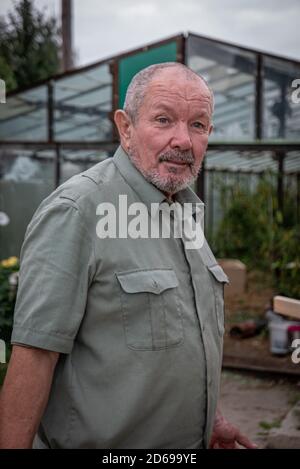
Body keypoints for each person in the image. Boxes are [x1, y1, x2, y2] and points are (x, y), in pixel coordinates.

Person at [0, 62, 257, 449]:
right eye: (163, 120)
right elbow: (35, 356)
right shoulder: (79, 210)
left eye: (198, 125)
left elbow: (182, 341)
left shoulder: (185, 210)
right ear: (125, 127)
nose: (183, 140)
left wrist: (208, 419)